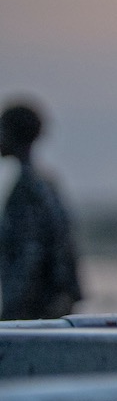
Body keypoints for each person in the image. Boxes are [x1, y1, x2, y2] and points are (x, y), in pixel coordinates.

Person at [0, 100, 84, 321]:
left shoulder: (28, 191)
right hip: (49, 308)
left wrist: (11, 314)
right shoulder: (45, 184)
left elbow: (30, 258)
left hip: (37, 313)